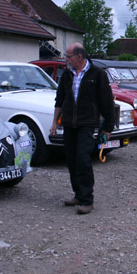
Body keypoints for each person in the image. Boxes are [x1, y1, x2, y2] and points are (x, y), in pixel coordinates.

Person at [50, 43, 115, 215]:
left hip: (87, 123)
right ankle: (78, 195)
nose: (66, 59)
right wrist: (55, 122)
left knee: (82, 159)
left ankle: (87, 200)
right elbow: (59, 99)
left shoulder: (97, 74)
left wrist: (108, 127)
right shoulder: (67, 75)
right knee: (71, 160)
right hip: (69, 123)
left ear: (79, 56)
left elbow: (107, 102)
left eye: (68, 56)